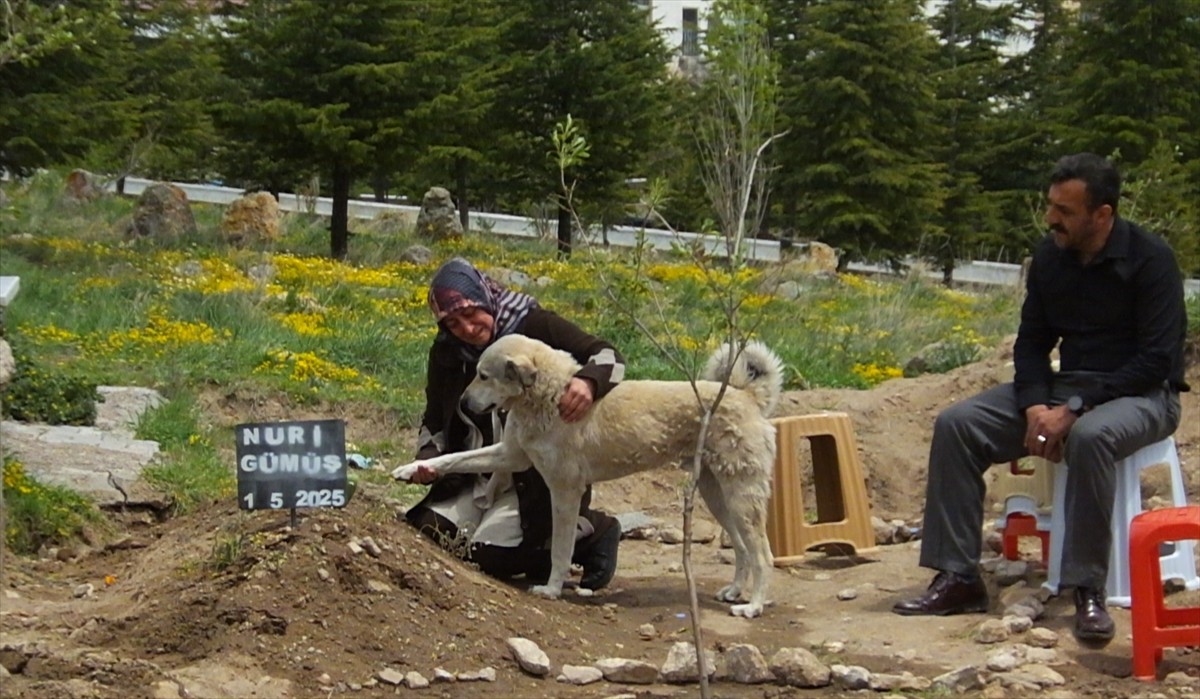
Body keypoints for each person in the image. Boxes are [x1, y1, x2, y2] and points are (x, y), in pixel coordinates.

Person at [891, 153, 1189, 645]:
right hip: (1062, 389)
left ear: (1103, 215)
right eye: (1050, 206)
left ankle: (1086, 588)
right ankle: (958, 577)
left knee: (1092, 436)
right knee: (958, 424)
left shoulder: (1151, 260)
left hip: (1142, 394)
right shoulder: (1051, 257)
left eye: (1065, 211)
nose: (1052, 218)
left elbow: (1156, 360)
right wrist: (1035, 406)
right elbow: (1031, 343)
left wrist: (1074, 409)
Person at [403, 257, 625, 590]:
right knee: (429, 529)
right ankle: (531, 542)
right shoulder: (447, 353)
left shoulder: (532, 327)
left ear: (485, 299)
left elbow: (609, 356)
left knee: (490, 557)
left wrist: (589, 383)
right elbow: (434, 415)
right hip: (481, 472)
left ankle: (592, 531)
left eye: (470, 314)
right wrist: (429, 455)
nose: (466, 329)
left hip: (532, 475)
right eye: (453, 323)